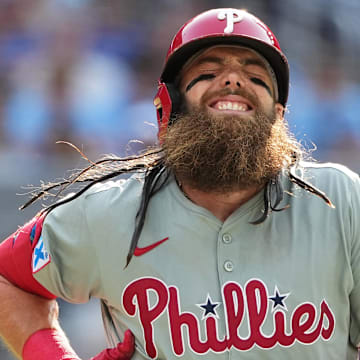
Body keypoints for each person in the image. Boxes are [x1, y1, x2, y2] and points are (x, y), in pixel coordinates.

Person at [0, 7, 359, 360]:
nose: (234, 79)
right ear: (169, 107)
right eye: (208, 70)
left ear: (278, 114)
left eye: (254, 73)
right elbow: (6, 278)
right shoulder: (109, 213)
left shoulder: (340, 200)